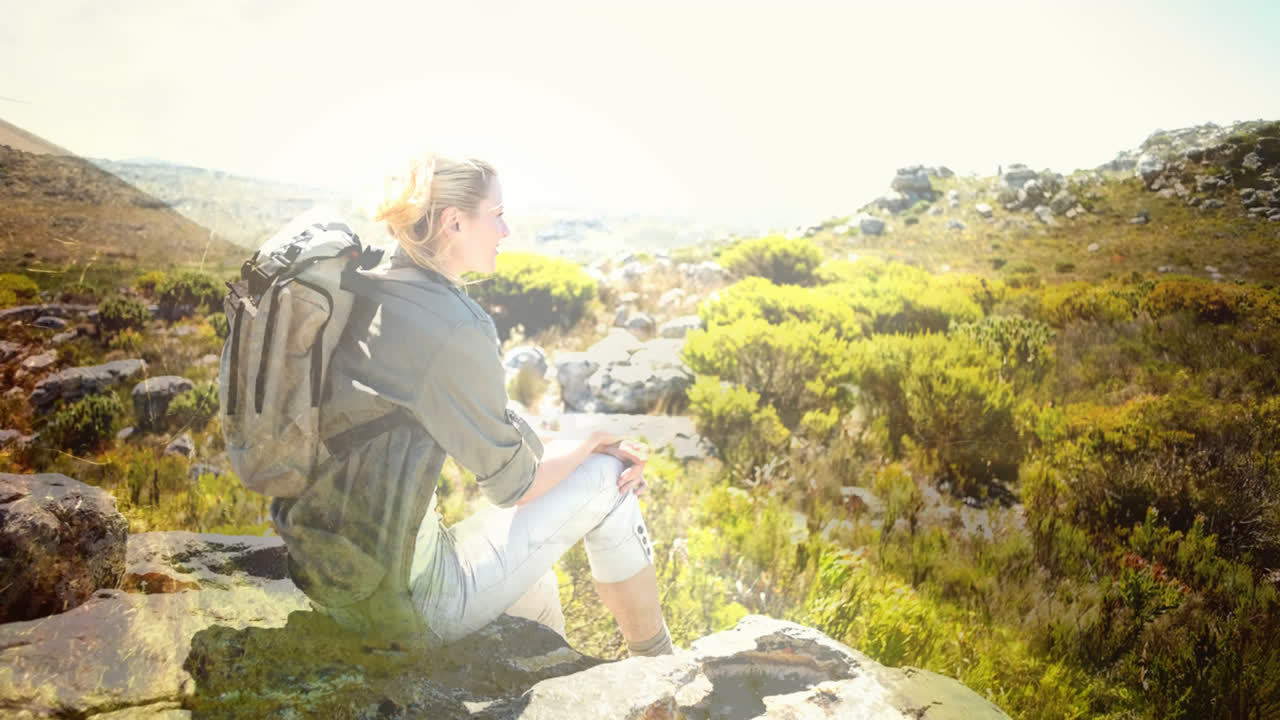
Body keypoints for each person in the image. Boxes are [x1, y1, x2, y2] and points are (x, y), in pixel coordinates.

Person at [269, 150, 673, 658]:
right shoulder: (456, 326)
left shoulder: (366, 289)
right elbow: (513, 485)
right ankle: (658, 668)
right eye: (498, 214)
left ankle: (560, 686)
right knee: (609, 483)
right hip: (408, 604)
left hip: (331, 582)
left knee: (537, 591)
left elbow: (485, 425)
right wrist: (593, 443)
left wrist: (573, 443)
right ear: (454, 222)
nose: (506, 231)